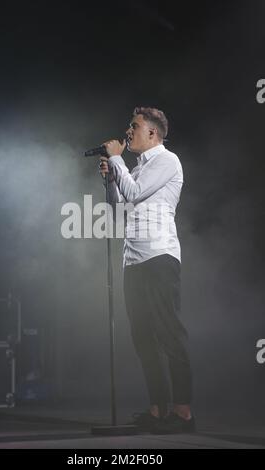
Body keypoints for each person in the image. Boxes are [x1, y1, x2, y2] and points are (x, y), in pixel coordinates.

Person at [98, 107, 194, 434]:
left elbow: (136, 193)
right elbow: (116, 206)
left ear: (152, 133)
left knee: (169, 333)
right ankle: (157, 411)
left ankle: (183, 414)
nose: (128, 132)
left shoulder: (168, 161)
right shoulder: (137, 169)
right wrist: (111, 179)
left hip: (159, 256)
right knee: (143, 339)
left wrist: (117, 161)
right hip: (134, 260)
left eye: (134, 126)